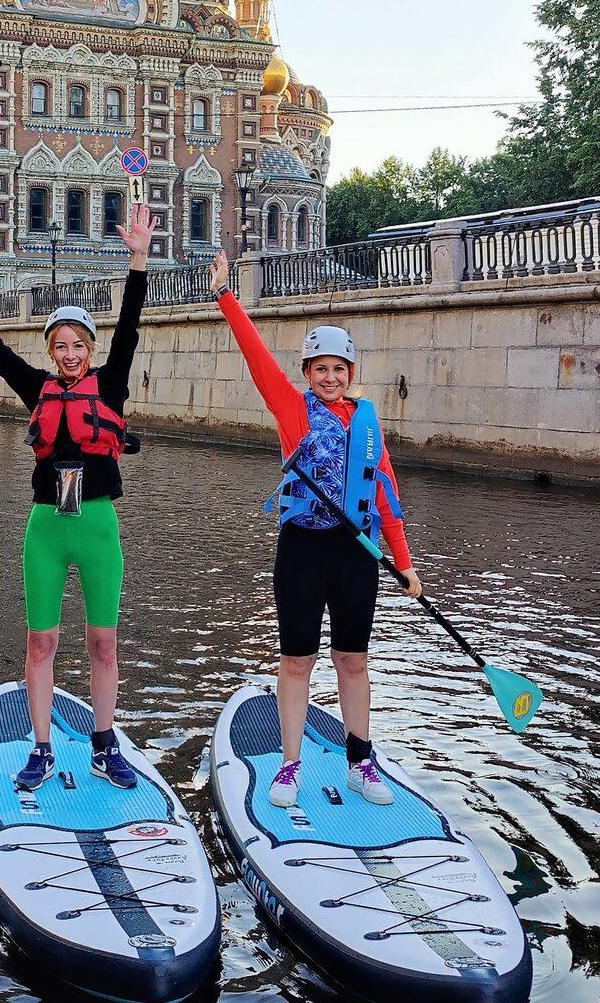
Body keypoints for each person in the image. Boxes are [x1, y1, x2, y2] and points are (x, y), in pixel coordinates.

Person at [208, 252, 423, 808]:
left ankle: (360, 761)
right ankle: (289, 765)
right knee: (297, 659)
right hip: (302, 547)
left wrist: (403, 561)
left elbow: (386, 497)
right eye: (319, 369)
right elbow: (257, 360)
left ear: (351, 375)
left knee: (353, 659)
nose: (329, 378)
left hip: (355, 553)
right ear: (306, 375)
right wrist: (227, 297)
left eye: (338, 369)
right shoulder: (293, 409)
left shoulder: (367, 424)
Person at [0, 205, 153, 793]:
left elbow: (133, 324)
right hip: (46, 525)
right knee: (40, 641)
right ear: (50, 350)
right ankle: (41, 748)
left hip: (96, 527)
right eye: (59, 345)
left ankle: (102, 744)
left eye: (77, 345)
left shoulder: (110, 384)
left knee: (102, 642)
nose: (69, 353)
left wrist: (138, 258)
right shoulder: (36, 387)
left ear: (89, 350)